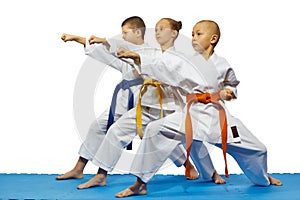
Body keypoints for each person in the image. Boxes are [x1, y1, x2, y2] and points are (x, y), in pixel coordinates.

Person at [114, 20, 282, 198]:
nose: (193, 38)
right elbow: (162, 66)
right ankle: (140, 183)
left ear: (213, 39)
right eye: (192, 34)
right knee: (155, 129)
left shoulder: (222, 63)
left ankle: (263, 178)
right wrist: (138, 58)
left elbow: (231, 84)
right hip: (191, 115)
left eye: (198, 34)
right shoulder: (184, 62)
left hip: (217, 117)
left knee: (258, 149)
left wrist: (229, 93)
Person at [88, 18, 204, 190]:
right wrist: (106, 42)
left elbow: (166, 69)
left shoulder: (180, 58)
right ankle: (101, 174)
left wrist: (137, 57)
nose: (157, 32)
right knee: (116, 131)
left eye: (162, 29)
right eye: (156, 29)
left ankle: (197, 168)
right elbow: (133, 50)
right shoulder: (151, 51)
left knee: (171, 142)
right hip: (148, 104)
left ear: (174, 33)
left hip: (170, 108)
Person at [56, 16, 148, 189]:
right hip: (123, 100)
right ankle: (79, 168)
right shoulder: (124, 51)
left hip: (143, 104)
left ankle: (189, 164)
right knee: (97, 128)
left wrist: (106, 40)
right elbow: (105, 52)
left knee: (163, 137)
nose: (123, 37)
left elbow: (126, 53)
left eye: (125, 33)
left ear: (137, 32)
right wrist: (78, 39)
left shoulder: (149, 52)